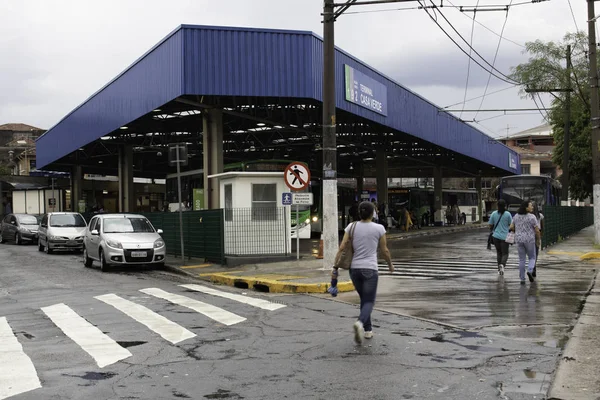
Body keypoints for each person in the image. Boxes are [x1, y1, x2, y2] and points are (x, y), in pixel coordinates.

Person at [333, 201, 394, 344]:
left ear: (359, 213)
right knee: (369, 301)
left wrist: (335, 267)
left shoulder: (351, 226)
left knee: (364, 299)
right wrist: (390, 264)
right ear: (373, 213)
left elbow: (342, 247)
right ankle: (360, 323)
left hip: (354, 270)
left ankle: (368, 330)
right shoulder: (379, 228)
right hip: (370, 270)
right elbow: (384, 251)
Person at [510, 200, 541, 284]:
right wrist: (538, 240)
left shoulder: (516, 216)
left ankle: (522, 279)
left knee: (521, 259)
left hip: (519, 240)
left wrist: (518, 231)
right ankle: (530, 270)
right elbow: (537, 230)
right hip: (529, 240)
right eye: (531, 206)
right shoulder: (532, 217)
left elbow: (511, 227)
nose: (532, 207)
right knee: (532, 257)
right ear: (526, 208)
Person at [488, 199, 513, 275]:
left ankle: (499, 269)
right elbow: (511, 225)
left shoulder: (493, 214)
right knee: (505, 253)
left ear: (497, 206)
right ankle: (502, 264)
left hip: (495, 236)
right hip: (505, 237)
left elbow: (490, 225)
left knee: (499, 253)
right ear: (505, 206)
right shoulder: (508, 214)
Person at [531, 201, 544, 277]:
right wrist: (541, 235)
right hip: (537, 234)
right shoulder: (540, 216)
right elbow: (542, 226)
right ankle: (534, 267)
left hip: (530, 234)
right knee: (535, 252)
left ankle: (533, 267)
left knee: (531, 253)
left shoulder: (528, 215)